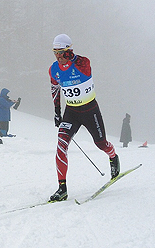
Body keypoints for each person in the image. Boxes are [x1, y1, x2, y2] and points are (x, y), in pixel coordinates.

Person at [48, 34, 120, 202]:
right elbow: (55, 89)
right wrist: (57, 111)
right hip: (71, 112)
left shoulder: (82, 63)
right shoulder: (53, 69)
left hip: (90, 110)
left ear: (69, 51)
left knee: (101, 143)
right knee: (61, 145)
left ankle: (113, 156)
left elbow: (82, 63)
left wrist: (70, 57)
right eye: (55, 53)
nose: (58, 57)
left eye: (61, 53)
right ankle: (62, 188)